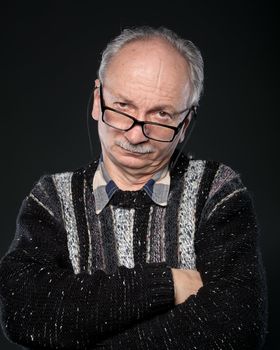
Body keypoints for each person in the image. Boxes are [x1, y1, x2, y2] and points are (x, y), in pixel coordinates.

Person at [0, 26, 267, 349]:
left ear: (185, 124)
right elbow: (23, 311)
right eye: (123, 107)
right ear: (98, 100)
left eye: (161, 115)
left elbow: (237, 327)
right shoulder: (52, 199)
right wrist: (167, 284)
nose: (135, 135)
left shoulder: (217, 192)